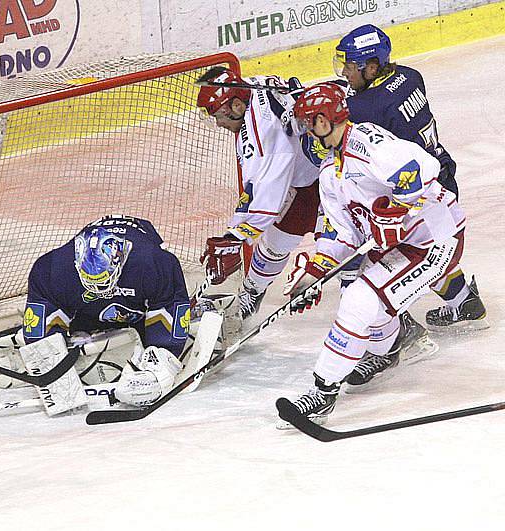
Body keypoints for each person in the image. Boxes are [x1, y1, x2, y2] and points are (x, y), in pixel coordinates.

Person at [278, 84, 468, 425]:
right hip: (402, 245)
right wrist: (314, 273)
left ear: (324, 121)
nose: (305, 133)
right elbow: (344, 235)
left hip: (436, 238)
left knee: (361, 301)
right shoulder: (330, 173)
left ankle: (323, 390)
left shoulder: (367, 142)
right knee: (362, 299)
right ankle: (389, 347)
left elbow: (423, 168)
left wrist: (396, 208)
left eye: (308, 124)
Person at [332, 24, 487, 333]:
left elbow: (339, 120)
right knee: (427, 248)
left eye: (349, 65)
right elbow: (371, 97)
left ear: (372, 67)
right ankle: (462, 300)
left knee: (376, 251)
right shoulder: (410, 75)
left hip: (414, 194)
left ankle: (394, 328)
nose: (344, 72)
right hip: (441, 175)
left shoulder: (365, 108)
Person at [0, 215, 192, 408]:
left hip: (137, 309)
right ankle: (35, 342)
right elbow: (44, 321)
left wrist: (160, 364)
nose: (98, 288)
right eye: (90, 280)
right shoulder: (52, 268)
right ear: (76, 264)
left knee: (158, 340)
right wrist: (47, 363)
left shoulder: (155, 262)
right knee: (47, 345)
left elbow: (169, 307)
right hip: (87, 312)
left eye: (103, 280)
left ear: (119, 261)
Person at [196, 66, 320, 320]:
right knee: (277, 243)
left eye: (218, 115)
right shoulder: (253, 86)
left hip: (329, 178)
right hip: (309, 170)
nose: (218, 123)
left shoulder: (261, 135)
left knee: (352, 247)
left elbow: (265, 199)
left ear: (237, 107)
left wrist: (235, 236)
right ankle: (253, 292)